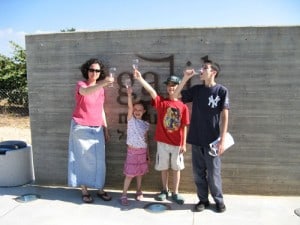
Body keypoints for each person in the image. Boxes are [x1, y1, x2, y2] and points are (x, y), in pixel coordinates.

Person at [173, 56, 230, 212]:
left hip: (213, 141)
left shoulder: (221, 91)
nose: (201, 70)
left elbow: (225, 116)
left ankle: (218, 200)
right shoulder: (197, 90)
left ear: (213, 72)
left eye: (205, 68)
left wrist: (222, 140)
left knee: (213, 174)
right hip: (196, 139)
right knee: (198, 174)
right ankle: (203, 200)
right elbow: (175, 96)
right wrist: (185, 77)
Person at [134, 69, 190, 205]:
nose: (171, 87)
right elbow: (152, 93)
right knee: (164, 167)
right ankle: (165, 190)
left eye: (174, 85)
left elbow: (184, 126)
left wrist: (183, 144)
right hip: (163, 142)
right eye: (169, 85)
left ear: (178, 87)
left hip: (177, 143)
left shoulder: (183, 107)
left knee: (176, 168)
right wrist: (140, 79)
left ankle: (175, 192)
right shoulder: (162, 103)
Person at [68, 58, 114, 203]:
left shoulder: (101, 89)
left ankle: (100, 189)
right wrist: (104, 82)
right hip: (80, 126)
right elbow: (86, 92)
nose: (94, 73)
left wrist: (105, 127)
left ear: (100, 73)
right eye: (91, 70)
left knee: (99, 161)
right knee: (81, 160)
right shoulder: (81, 85)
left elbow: (100, 109)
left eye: (97, 71)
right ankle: (84, 190)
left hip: (97, 128)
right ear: (87, 71)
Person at [120, 86, 150, 206]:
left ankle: (138, 190)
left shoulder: (146, 124)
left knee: (139, 173)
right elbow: (129, 106)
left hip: (142, 152)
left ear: (144, 112)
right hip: (132, 152)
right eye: (135, 109)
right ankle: (124, 194)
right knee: (129, 174)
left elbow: (146, 139)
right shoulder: (131, 120)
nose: (137, 111)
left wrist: (148, 155)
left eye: (140, 110)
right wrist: (129, 95)